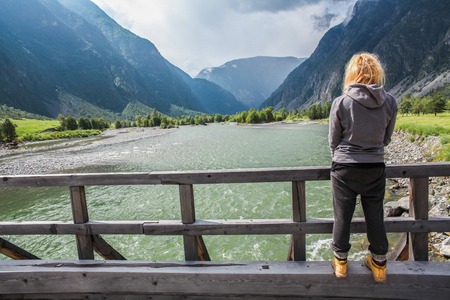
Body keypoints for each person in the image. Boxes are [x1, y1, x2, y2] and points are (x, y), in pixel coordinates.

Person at [328, 52, 398, 282]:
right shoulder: (389, 101)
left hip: (344, 168)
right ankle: (379, 264)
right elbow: (386, 138)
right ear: (377, 72)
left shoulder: (341, 102)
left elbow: (333, 140)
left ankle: (341, 263)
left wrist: (341, 156)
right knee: (375, 215)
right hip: (375, 167)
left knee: (342, 216)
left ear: (352, 73)